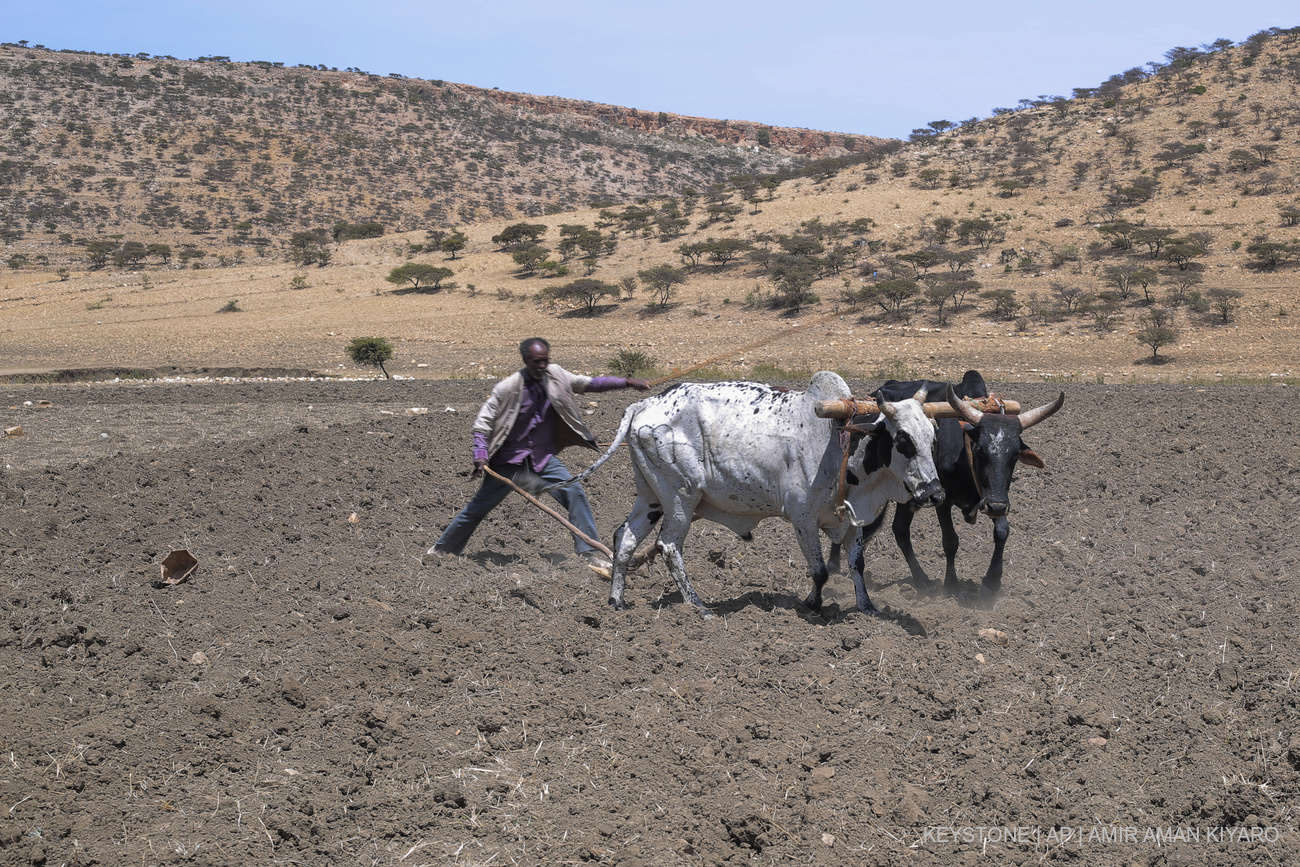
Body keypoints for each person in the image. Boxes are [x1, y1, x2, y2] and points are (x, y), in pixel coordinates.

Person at [428, 337, 649, 568]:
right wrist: (481, 454)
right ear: (525, 360)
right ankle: (440, 550)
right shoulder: (508, 387)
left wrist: (626, 382)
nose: (542, 366)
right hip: (508, 462)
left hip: (541, 459)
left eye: (545, 360)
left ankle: (587, 554)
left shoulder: (556, 374)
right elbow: (483, 423)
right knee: (477, 509)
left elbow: (589, 384)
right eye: (536, 362)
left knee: (575, 493)